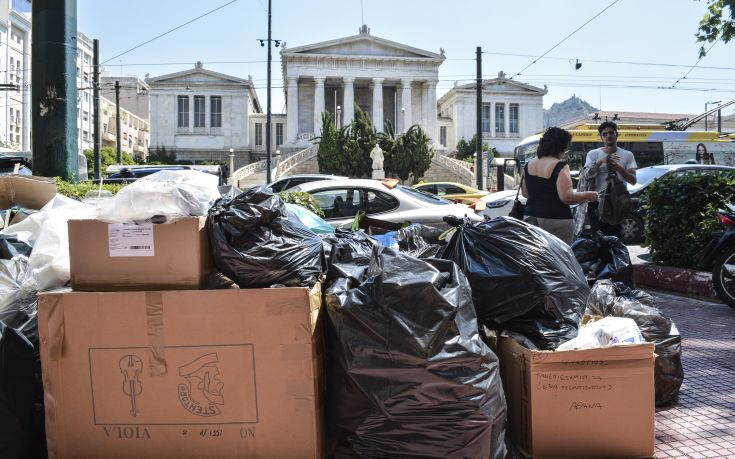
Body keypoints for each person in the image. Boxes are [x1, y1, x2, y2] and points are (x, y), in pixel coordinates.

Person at [521, 127, 598, 244]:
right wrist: (589, 195)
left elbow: (525, 193)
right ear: (561, 146)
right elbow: (567, 197)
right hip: (557, 221)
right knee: (558, 259)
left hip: (531, 219)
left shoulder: (528, 164)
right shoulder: (560, 166)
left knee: (535, 258)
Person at [583, 121, 637, 238]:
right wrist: (601, 161)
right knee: (597, 240)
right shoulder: (593, 154)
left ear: (617, 134)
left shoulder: (628, 155)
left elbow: (633, 180)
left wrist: (618, 168)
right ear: (601, 137)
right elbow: (587, 175)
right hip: (596, 202)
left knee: (615, 239)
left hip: (617, 203)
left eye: (611, 133)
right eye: (605, 134)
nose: (608, 136)